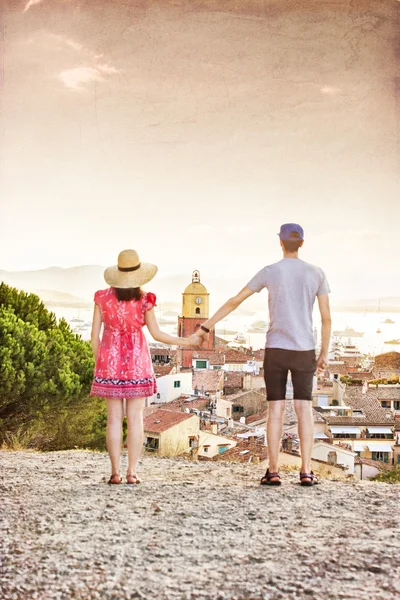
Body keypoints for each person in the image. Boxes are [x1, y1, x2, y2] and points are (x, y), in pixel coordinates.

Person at [196, 224, 331, 487]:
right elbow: (326, 318)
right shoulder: (317, 273)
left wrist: (206, 326)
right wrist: (324, 352)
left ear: (280, 242)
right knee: (304, 408)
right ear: (302, 243)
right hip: (305, 349)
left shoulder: (270, 271)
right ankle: (305, 471)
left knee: (276, 409)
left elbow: (236, 300)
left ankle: (273, 471)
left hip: (276, 348)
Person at [90, 249, 202, 485]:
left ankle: (114, 473)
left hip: (108, 364)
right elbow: (157, 334)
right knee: (136, 418)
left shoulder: (101, 298)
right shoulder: (145, 300)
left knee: (113, 419)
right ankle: (131, 472)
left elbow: (94, 337)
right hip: (137, 363)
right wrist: (187, 341)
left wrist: (99, 362)